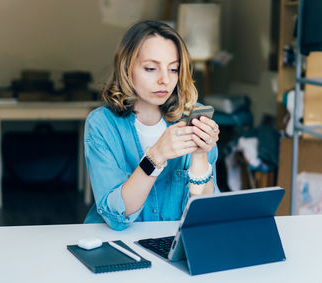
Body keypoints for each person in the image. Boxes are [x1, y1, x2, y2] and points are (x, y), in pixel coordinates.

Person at [84, 20, 220, 231]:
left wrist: (200, 154)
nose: (164, 80)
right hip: (116, 245)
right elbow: (117, 216)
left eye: (173, 69)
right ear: (127, 68)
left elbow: (205, 214)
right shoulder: (102, 124)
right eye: (150, 68)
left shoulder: (194, 119)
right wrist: (156, 156)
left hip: (173, 245)